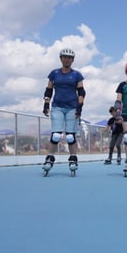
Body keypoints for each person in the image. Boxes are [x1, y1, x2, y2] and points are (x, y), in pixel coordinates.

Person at [42, 48, 85, 176]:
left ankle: (73, 158)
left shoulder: (77, 75)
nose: (67, 59)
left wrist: (79, 108)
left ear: (72, 60)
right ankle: (49, 157)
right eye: (65, 57)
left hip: (72, 107)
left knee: (70, 136)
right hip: (57, 107)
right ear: (61, 59)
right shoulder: (54, 73)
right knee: (55, 135)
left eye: (69, 58)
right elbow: (48, 90)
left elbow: (81, 92)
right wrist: (46, 104)